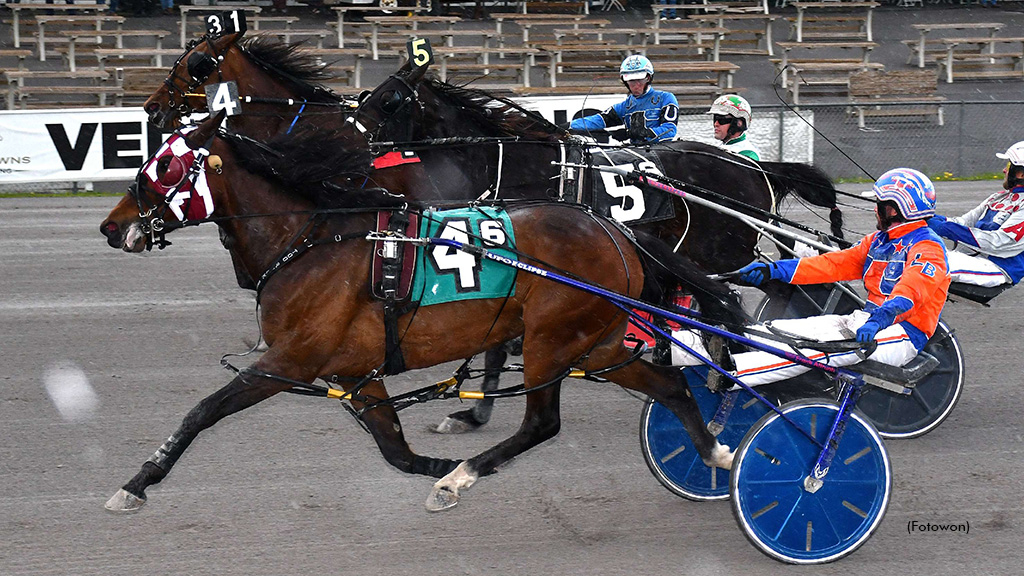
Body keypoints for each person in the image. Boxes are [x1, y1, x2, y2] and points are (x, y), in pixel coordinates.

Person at [684, 168, 950, 390]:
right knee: (776, 332)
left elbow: (911, 292)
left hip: (900, 335)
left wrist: (879, 320)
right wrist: (774, 270)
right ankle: (680, 349)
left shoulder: (928, 248)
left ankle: (732, 375)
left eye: (879, 205)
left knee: (806, 353)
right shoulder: (878, 242)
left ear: (893, 209)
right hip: (864, 321)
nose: (875, 211)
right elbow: (830, 264)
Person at [926, 141, 1024, 288]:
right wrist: (926, 218)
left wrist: (946, 228)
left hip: (997, 266)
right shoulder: (998, 197)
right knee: (913, 253)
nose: (1004, 170)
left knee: (926, 267)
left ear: (1021, 174)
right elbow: (964, 221)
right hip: (971, 257)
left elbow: (998, 243)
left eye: (1009, 166)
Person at [568, 55, 679, 145]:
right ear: (625, 82)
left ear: (648, 78)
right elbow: (597, 120)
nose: (636, 85)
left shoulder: (666, 98)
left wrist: (632, 133)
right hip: (637, 153)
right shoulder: (623, 107)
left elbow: (669, 131)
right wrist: (568, 126)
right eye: (631, 81)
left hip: (662, 152)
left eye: (640, 80)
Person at [708, 94, 760, 161]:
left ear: (739, 123)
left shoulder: (748, 153)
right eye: (715, 119)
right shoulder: (719, 147)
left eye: (722, 120)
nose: (716, 124)